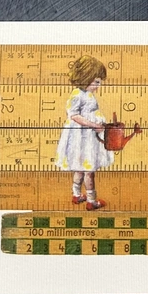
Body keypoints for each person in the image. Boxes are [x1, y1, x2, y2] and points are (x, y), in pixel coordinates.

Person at [55, 54, 112, 210]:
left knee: (80, 167)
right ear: (86, 77)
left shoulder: (87, 94)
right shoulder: (76, 95)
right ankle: (92, 201)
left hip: (87, 137)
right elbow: (73, 115)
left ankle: (76, 194)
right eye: (96, 82)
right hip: (81, 137)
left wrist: (99, 122)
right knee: (88, 170)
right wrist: (94, 124)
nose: (98, 86)